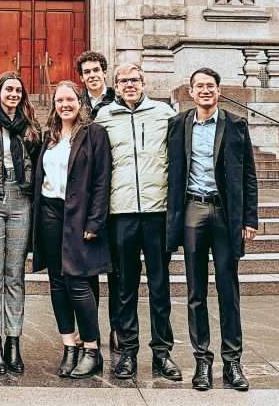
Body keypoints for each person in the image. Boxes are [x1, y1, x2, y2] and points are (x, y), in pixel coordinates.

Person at [167, 67, 259, 392]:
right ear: (190, 92)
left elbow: (248, 174)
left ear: (219, 91)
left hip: (224, 213)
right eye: (199, 86)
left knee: (228, 290)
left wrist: (250, 218)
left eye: (210, 86)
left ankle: (232, 363)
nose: (205, 91)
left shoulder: (235, 124)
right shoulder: (178, 125)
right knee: (195, 293)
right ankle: (202, 362)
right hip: (193, 209)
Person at [95, 62, 181, 381]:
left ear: (144, 83)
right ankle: (127, 352)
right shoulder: (104, 118)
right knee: (125, 288)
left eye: (134, 80)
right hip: (121, 213)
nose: (129, 85)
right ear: (115, 85)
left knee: (160, 287)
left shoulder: (164, 114)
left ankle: (162, 353)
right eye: (123, 81)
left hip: (157, 213)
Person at [32, 81, 112, 379]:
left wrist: (95, 221)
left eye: (70, 99)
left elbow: (102, 180)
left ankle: (92, 349)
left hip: (79, 216)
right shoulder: (50, 136)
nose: (65, 104)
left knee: (78, 282)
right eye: (59, 100)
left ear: (80, 102)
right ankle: (69, 345)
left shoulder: (94, 134)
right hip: (50, 214)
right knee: (57, 282)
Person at [0, 71, 41, 374]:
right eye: (8, 89)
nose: (13, 94)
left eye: (18, 90)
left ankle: (13, 342)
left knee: (14, 274)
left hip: (21, 201)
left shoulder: (30, 128)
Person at [73, 50, 119, 352]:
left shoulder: (118, 103)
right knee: (87, 270)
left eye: (96, 70)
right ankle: (90, 329)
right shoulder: (76, 106)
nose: (91, 75)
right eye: (86, 71)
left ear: (105, 72)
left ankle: (118, 327)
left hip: (117, 199)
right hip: (87, 203)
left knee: (117, 271)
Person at [75, 51, 116, 119]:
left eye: (96, 70)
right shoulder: (77, 101)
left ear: (104, 73)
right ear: (82, 78)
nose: (92, 75)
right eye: (87, 72)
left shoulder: (117, 97)